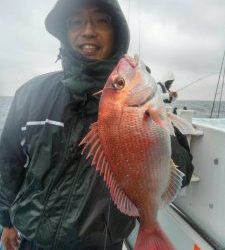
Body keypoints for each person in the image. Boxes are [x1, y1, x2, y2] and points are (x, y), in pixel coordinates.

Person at [0, 0, 135, 249]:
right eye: (76, 22)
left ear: (117, 31)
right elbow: (8, 162)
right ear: (65, 31)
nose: (88, 30)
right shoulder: (30, 94)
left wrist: (162, 133)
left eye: (101, 20)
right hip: (33, 241)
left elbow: (174, 166)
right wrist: (6, 221)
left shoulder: (136, 102)